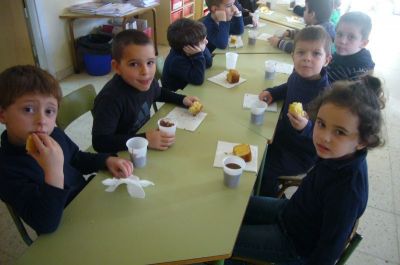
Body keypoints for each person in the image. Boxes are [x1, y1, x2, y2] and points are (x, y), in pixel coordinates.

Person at [230, 75, 385, 264]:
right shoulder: (338, 153)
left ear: (363, 141)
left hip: (293, 243)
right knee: (231, 206)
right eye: (321, 123)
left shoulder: (348, 191)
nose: (324, 137)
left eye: (339, 132)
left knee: (222, 238)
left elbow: (328, 253)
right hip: (290, 212)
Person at [0, 65, 133, 234]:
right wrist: (53, 171)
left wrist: (106, 160)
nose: (42, 120)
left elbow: (76, 158)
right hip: (64, 227)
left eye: (49, 111)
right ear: (2, 114)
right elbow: (46, 224)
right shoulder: (6, 168)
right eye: (28, 109)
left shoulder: (54, 134)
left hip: (87, 204)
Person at [92, 30, 199, 153]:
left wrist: (181, 99)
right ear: (117, 67)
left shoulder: (145, 81)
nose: (145, 71)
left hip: (144, 140)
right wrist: (145, 139)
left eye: (150, 62)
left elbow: (158, 92)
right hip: (123, 155)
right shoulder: (110, 99)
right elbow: (100, 142)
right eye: (134, 64)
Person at [258, 26, 332, 197]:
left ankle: (269, 201)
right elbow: (288, 86)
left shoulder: (325, 96)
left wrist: (305, 127)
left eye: (316, 54)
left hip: (300, 153)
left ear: (327, 60)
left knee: (264, 168)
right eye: (301, 52)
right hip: (282, 137)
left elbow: (325, 136)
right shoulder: (297, 75)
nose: (307, 59)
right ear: (293, 56)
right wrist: (272, 93)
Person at [161, 18, 213, 91]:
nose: (207, 42)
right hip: (178, 95)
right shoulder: (177, 61)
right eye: (202, 41)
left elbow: (208, 63)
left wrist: (201, 50)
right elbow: (198, 80)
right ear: (189, 47)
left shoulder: (189, 51)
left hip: (190, 89)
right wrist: (198, 55)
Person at [269, 0, 335, 54]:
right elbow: (304, 34)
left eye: (305, 9)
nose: (303, 12)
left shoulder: (318, 33)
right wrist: (289, 33)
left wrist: (278, 43)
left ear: (312, 14)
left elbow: (301, 50)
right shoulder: (324, 24)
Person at [327, 11, 375, 83]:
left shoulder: (360, 71)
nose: (342, 41)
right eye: (339, 34)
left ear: (363, 43)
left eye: (351, 37)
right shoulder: (336, 55)